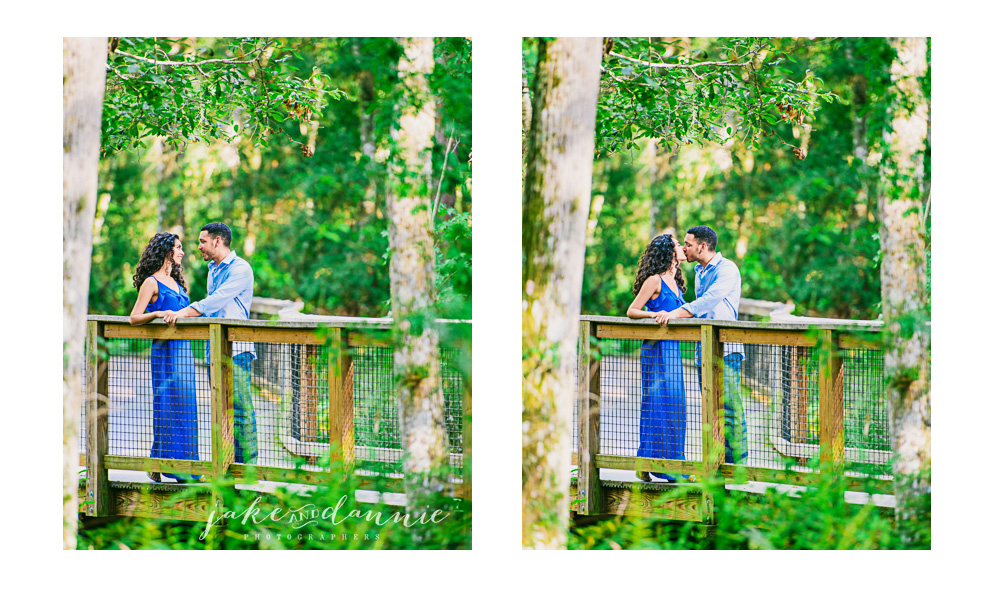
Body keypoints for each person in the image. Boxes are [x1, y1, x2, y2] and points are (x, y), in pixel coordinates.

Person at [163, 222, 258, 464]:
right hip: (213, 347)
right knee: (220, 410)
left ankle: (248, 469)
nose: (198, 247)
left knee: (240, 409)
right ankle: (225, 466)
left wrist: (184, 312)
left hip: (237, 349)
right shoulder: (212, 269)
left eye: (202, 241)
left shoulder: (241, 269)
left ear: (217, 241)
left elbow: (215, 301)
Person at [661, 225, 748, 464]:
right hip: (704, 348)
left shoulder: (727, 268)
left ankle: (737, 465)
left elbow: (709, 301)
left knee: (729, 407)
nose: (684, 248)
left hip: (727, 349)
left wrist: (676, 313)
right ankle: (717, 463)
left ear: (702, 246)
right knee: (711, 408)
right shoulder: (699, 271)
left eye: (688, 244)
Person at [129, 232, 204, 483]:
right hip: (164, 351)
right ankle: (169, 466)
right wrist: (158, 313)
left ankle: (180, 464)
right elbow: (134, 317)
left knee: (187, 405)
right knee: (167, 405)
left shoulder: (179, 283)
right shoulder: (151, 282)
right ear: (166, 251)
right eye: (178, 248)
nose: (182, 252)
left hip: (184, 349)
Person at [626, 234, 694, 483]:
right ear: (669, 251)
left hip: (673, 350)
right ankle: (649, 464)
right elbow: (632, 310)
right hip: (655, 350)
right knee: (655, 404)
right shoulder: (654, 280)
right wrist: (654, 315)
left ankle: (672, 464)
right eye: (679, 245)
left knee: (676, 405)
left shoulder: (676, 280)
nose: (683, 248)